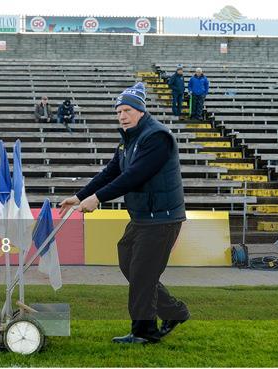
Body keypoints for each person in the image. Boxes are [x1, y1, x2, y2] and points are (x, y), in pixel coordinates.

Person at [59, 82, 190, 344]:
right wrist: (79, 196)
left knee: (142, 274)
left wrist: (97, 199)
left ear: (141, 111)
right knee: (129, 262)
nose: (122, 116)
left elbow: (134, 176)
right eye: (119, 111)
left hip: (162, 218)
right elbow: (111, 172)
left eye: (127, 110)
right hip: (143, 217)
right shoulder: (128, 140)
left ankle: (144, 332)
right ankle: (174, 311)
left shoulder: (157, 138)